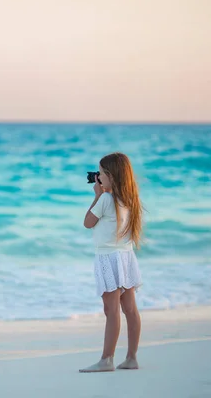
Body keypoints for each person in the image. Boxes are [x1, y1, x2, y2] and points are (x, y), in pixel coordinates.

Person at [79, 152, 144, 373]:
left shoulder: (106, 199)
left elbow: (88, 223)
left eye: (101, 173)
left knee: (111, 310)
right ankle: (131, 357)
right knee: (130, 309)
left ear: (111, 175)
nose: (98, 177)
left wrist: (97, 195)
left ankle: (107, 359)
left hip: (108, 258)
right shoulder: (129, 198)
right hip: (125, 257)